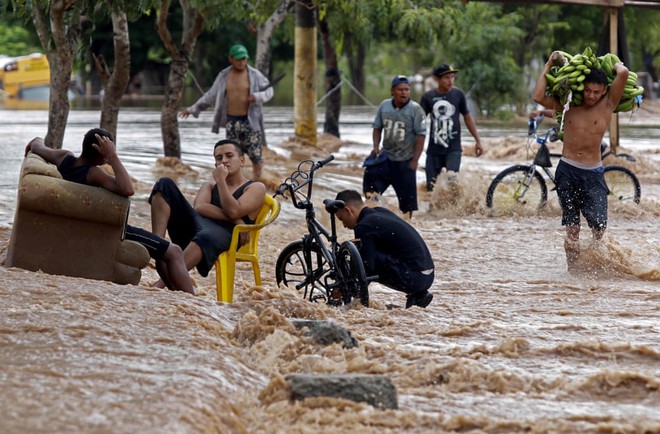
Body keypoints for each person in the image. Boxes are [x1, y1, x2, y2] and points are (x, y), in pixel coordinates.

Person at [24, 129, 194, 295]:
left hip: (85, 228)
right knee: (174, 251)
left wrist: (36, 140)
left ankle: (176, 295)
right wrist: (112, 157)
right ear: (101, 152)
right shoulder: (93, 173)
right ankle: (193, 301)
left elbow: (37, 146)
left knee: (163, 252)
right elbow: (127, 189)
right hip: (110, 232)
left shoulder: (63, 158)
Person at [532, 51, 629, 271]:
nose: (591, 95)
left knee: (599, 228)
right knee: (572, 228)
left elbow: (622, 72)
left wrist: (610, 65)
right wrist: (548, 64)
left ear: (604, 90)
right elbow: (538, 97)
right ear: (580, 88)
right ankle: (573, 272)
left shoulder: (607, 105)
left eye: (596, 91)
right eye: (587, 90)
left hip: (593, 173)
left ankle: (597, 269)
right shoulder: (568, 106)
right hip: (567, 171)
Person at [148, 139, 266, 283]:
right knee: (164, 184)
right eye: (219, 158)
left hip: (227, 235)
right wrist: (235, 220)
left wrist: (221, 181)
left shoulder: (255, 188)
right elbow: (200, 207)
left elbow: (234, 210)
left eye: (229, 156)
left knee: (206, 235)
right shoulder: (209, 186)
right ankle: (158, 248)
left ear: (241, 160)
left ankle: (161, 284)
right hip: (196, 227)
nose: (224, 161)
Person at [179, 44, 273, 181]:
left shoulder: (254, 74)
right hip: (231, 123)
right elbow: (211, 95)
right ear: (231, 59)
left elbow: (269, 91)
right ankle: (235, 184)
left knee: (256, 156)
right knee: (231, 156)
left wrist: (258, 97)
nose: (242, 62)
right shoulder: (224, 76)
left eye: (244, 59)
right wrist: (193, 109)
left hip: (250, 123)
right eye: (239, 59)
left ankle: (258, 184)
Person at [334, 190, 435, 308]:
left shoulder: (364, 226)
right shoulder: (379, 212)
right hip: (428, 274)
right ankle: (418, 295)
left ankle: (416, 292)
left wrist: (347, 291)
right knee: (370, 255)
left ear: (348, 210)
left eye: (341, 219)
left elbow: (367, 267)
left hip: (415, 278)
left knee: (362, 260)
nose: (344, 225)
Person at [365, 75, 426, 219]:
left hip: (405, 160)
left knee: (407, 203)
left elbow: (421, 136)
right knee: (370, 185)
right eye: (400, 90)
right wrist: (376, 147)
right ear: (392, 91)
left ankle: (407, 223)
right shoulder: (384, 106)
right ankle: (374, 216)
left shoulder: (416, 109)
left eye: (406, 90)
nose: (404, 93)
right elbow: (377, 128)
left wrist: (415, 160)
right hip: (386, 157)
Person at [419, 64, 483, 191]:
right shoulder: (428, 97)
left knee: (452, 183)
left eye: (452, 77)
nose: (450, 81)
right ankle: (431, 211)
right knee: (430, 188)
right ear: (437, 79)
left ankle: (452, 210)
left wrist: (478, 141)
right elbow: (419, 120)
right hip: (433, 150)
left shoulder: (458, 94)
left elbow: (467, 117)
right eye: (446, 78)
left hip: (453, 150)